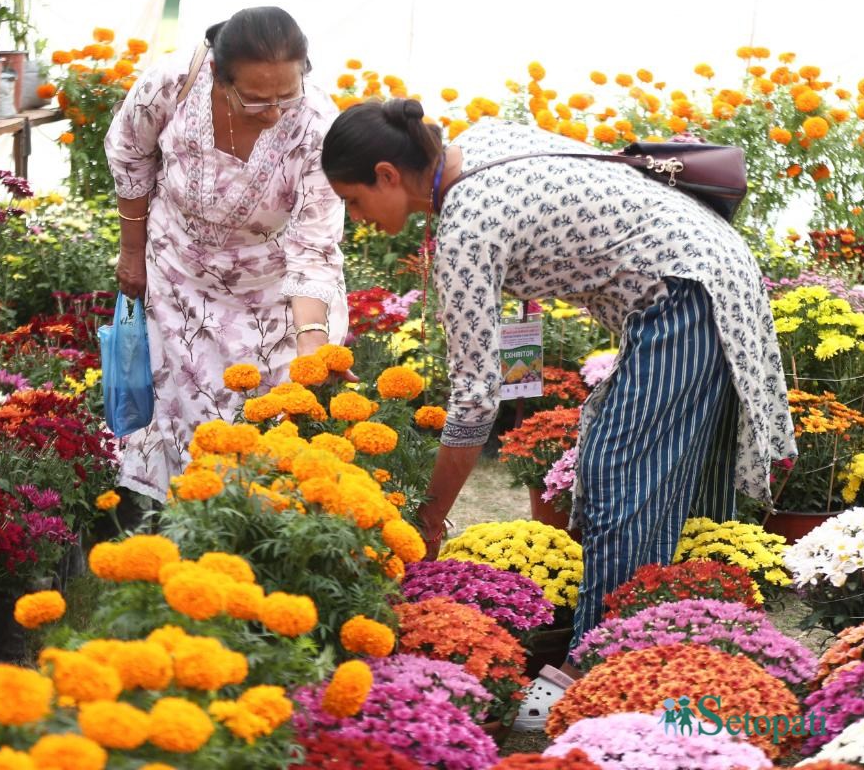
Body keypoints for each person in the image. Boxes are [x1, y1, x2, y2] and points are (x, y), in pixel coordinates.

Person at [319, 98, 795, 730]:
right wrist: (521, 385)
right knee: (657, 476)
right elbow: (532, 286)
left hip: (687, 293)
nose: (355, 220)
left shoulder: (467, 225)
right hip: (704, 275)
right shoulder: (479, 144)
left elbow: (472, 397)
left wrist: (429, 521)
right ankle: (688, 651)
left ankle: (596, 675)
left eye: (351, 201)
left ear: (386, 174)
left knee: (621, 477)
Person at [104, 7, 347, 503]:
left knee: (268, 428)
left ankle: (257, 540)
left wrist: (312, 346)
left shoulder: (319, 125)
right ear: (217, 73)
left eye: (288, 93)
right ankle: (177, 534)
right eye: (256, 99)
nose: (276, 111)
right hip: (178, 277)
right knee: (180, 419)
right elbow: (130, 154)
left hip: (274, 295)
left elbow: (314, 246)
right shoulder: (173, 82)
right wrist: (132, 253)